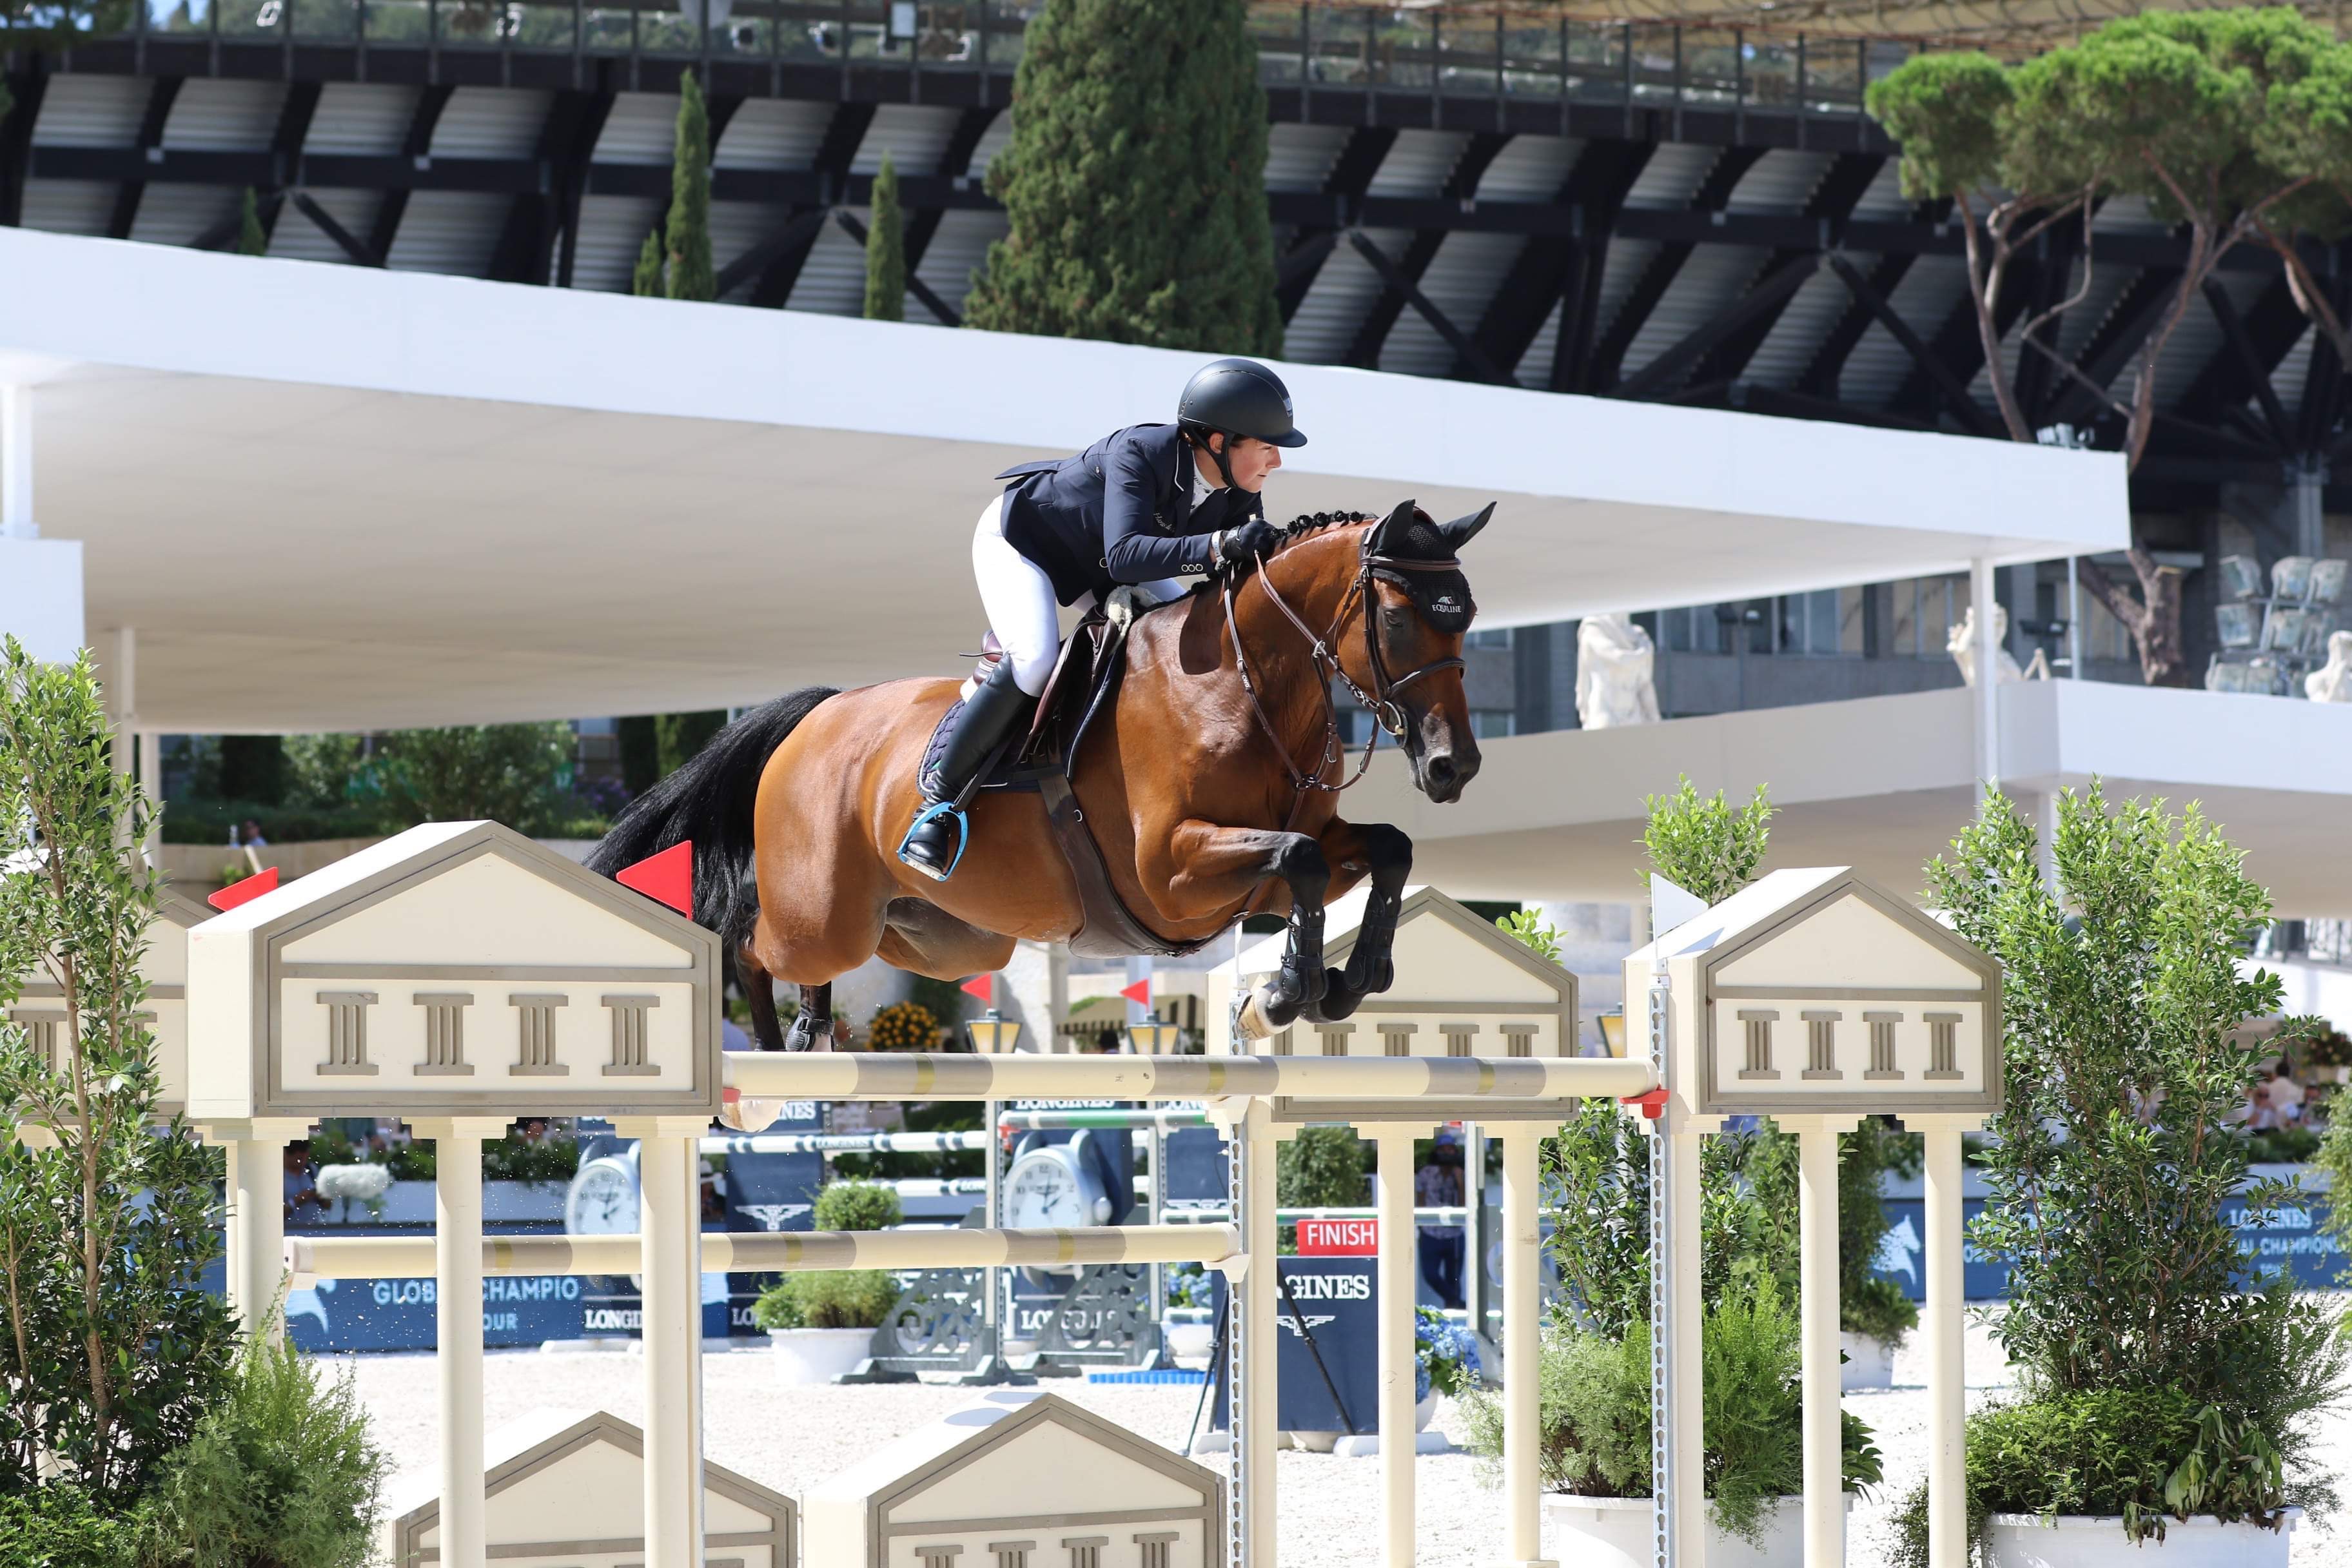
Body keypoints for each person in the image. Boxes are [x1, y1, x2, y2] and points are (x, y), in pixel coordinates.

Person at [896, 357, 1307, 882]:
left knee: (1185, 632)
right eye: (1267, 446)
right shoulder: (1142, 452)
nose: (1276, 460)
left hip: (1103, 562)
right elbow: (1127, 556)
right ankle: (937, 805)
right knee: (1036, 661)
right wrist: (1219, 544)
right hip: (1025, 543)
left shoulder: (1241, 489)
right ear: (1221, 443)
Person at [1415, 1135, 1466, 1309]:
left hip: (1454, 1234)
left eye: (1450, 1149)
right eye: (1443, 1149)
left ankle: (1454, 1315)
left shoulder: (1461, 1174)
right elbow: (1420, 1198)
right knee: (1430, 1274)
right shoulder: (1426, 1173)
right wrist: (1421, 1224)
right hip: (1431, 1232)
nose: (1447, 1153)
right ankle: (1459, 1304)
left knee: (1455, 1280)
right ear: (1437, 1152)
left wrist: (1460, 1182)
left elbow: (1465, 1205)